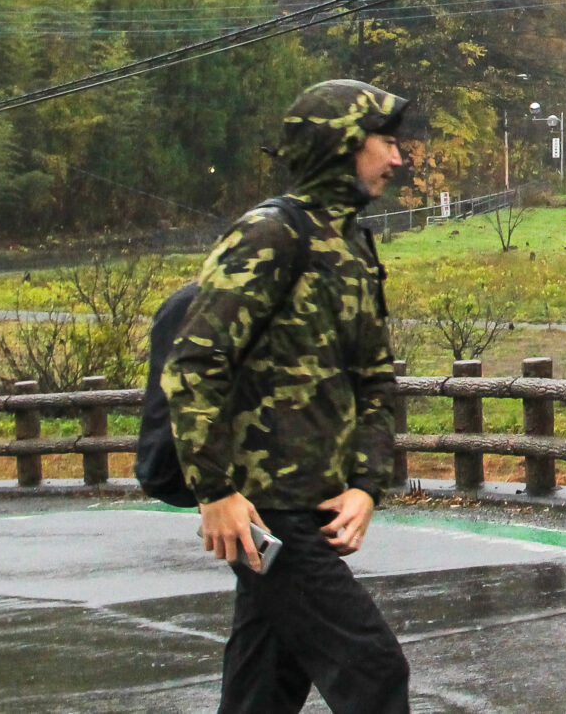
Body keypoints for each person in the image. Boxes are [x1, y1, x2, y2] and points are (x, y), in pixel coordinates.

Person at [164, 78, 413, 714]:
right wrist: (214, 491)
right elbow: (195, 363)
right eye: (384, 142)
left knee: (262, 691)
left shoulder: (352, 242)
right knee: (372, 670)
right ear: (340, 147)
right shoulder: (270, 236)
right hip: (269, 511)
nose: (397, 158)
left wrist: (366, 483)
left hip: (318, 504)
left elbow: (376, 377)